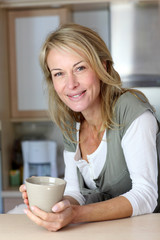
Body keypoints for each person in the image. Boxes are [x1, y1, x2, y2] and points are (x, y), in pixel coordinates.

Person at [19, 23, 160, 231]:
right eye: (59, 73)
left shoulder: (130, 110)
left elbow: (147, 195)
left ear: (102, 66)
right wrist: (56, 206)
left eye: (80, 68)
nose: (71, 83)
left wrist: (75, 215)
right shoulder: (71, 123)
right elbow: (75, 193)